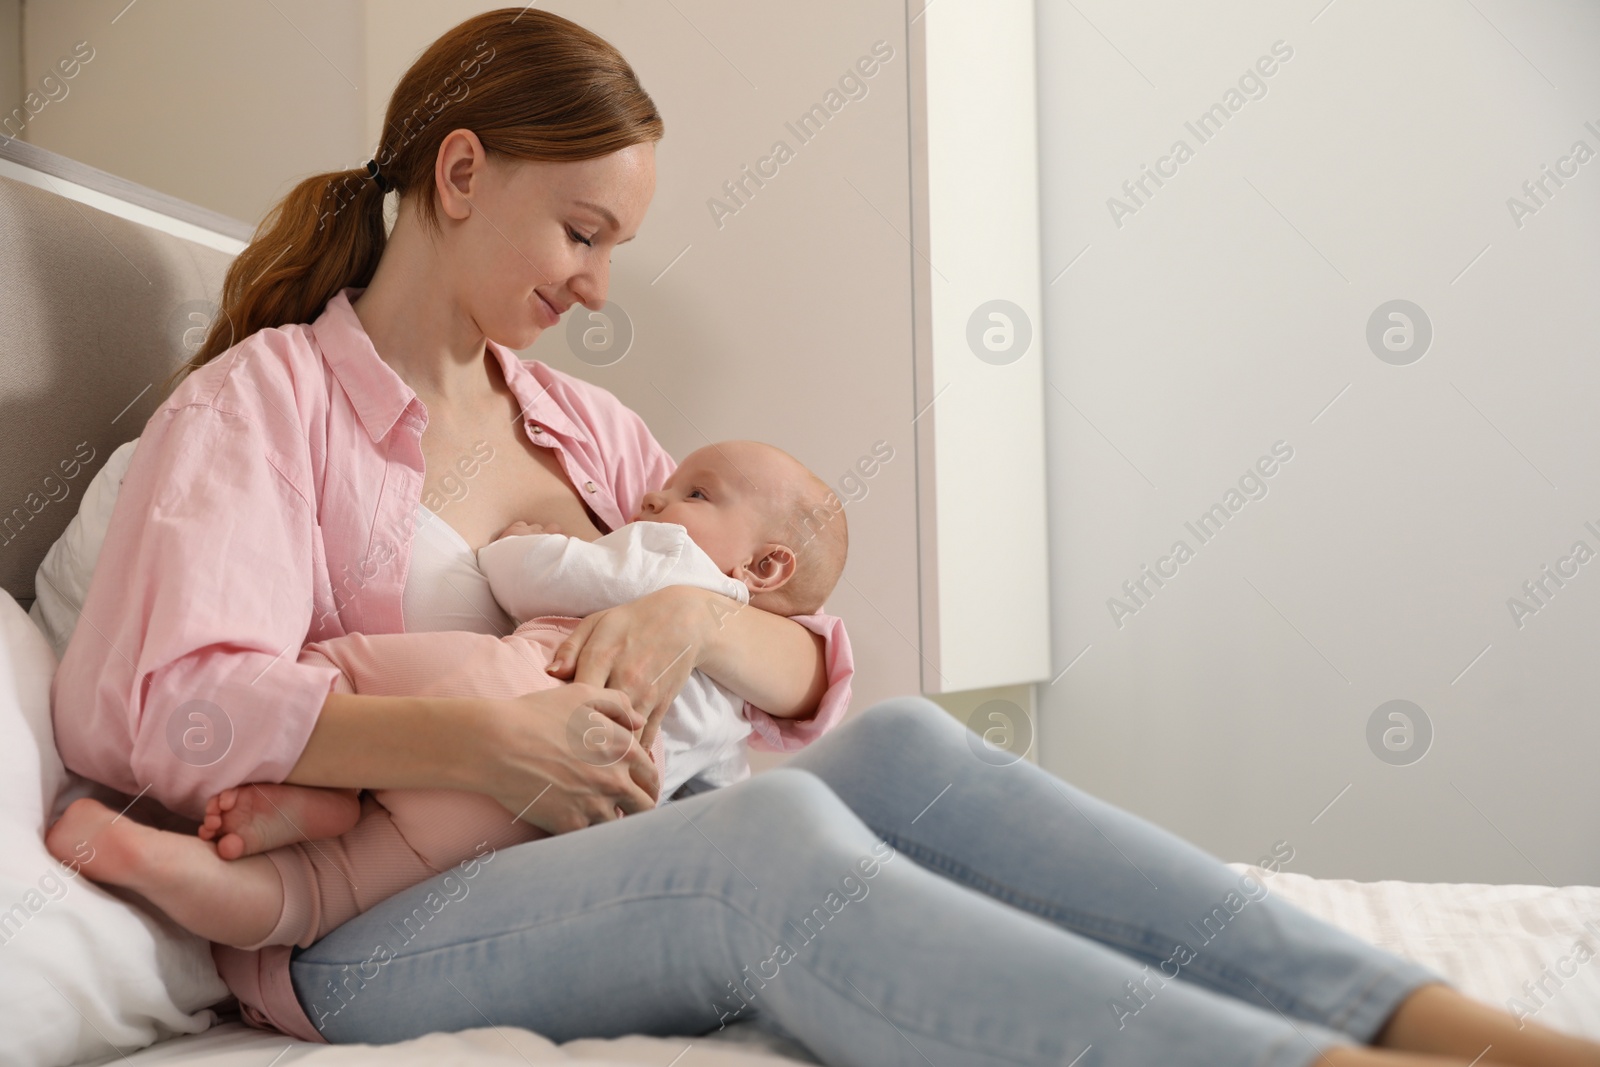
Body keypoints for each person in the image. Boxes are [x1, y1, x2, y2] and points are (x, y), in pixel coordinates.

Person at [43, 9, 1600, 1066]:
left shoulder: (582, 429)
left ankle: (1436, 1024)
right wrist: (478, 739)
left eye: (615, 248)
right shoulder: (268, 409)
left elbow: (800, 669)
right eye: (581, 232)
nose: (597, 285)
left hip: (602, 836)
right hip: (362, 930)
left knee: (909, 751)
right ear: (462, 174)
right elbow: (148, 704)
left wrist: (697, 625)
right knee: (768, 848)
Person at [48, 439, 851, 951]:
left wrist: (522, 548)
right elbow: (713, 800)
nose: (650, 497)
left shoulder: (669, 560)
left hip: (504, 692)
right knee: (323, 897)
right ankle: (166, 863)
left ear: (766, 567)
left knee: (333, 668)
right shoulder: (737, 709)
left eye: (695, 491)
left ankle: (319, 785)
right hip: (531, 830)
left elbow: (535, 574)